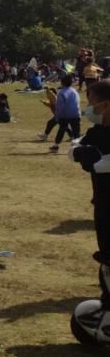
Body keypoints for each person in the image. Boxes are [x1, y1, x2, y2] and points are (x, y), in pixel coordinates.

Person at [69, 80, 110, 317]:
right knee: (106, 254)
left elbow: (95, 162)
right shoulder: (96, 132)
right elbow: (75, 150)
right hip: (103, 202)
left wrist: (95, 162)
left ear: (105, 105)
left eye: (91, 103)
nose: (88, 108)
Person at [52, 74, 81, 153]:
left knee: (61, 130)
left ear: (62, 83)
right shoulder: (74, 91)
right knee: (76, 131)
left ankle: (56, 146)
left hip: (65, 115)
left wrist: (57, 116)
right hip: (76, 114)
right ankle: (77, 147)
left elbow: (60, 106)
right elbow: (78, 102)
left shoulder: (61, 92)